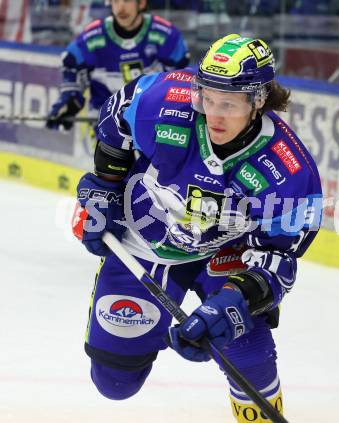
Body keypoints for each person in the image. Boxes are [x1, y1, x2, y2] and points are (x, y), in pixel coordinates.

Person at [72, 33, 322, 422]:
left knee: (249, 351)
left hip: (224, 252)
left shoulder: (288, 170)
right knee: (114, 381)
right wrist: (105, 187)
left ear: (258, 101)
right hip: (145, 236)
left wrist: (235, 303)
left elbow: (280, 257)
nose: (214, 114)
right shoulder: (164, 98)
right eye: (207, 97)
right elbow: (115, 118)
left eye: (229, 103)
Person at [46, 0, 189, 130]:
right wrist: (69, 101)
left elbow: (180, 83)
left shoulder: (166, 35)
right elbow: (72, 67)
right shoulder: (93, 37)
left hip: (152, 122)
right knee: (109, 157)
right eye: (115, 1)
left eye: (127, 1)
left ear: (142, 3)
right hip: (106, 123)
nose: (120, 8)